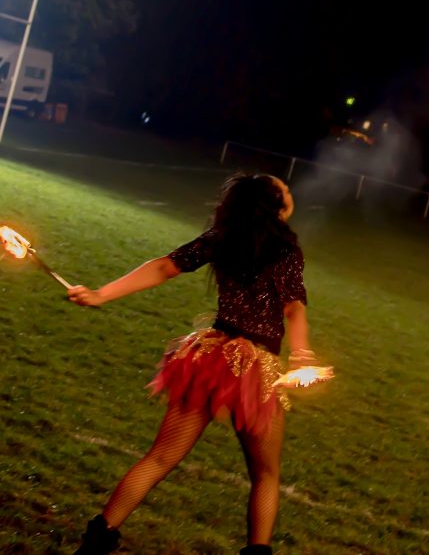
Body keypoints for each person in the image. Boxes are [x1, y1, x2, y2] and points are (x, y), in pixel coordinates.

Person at [69, 173, 319, 555]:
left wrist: (102, 295)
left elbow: (162, 267)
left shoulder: (223, 237)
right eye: (285, 189)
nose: (290, 192)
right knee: (266, 474)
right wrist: (302, 357)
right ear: (278, 206)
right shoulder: (286, 250)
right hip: (253, 372)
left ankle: (96, 542)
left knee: (160, 458)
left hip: (210, 359)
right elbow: (294, 309)